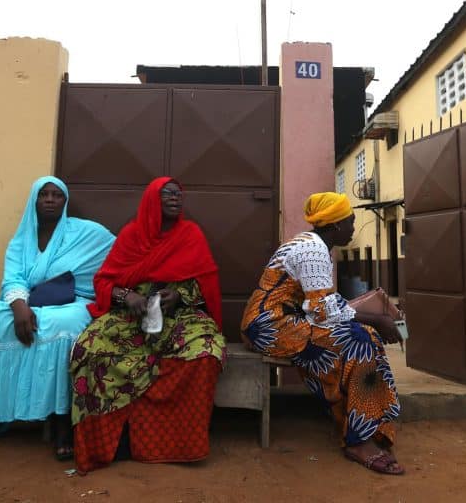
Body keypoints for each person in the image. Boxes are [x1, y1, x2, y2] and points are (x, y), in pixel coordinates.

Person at [0, 177, 114, 459]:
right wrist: (20, 307)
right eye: (43, 194)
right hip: (27, 301)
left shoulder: (88, 233)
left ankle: (61, 421)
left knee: (64, 326)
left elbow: (121, 254)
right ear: (34, 200)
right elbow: (12, 279)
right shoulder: (21, 240)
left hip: (73, 301)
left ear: (65, 201)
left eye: (56, 195)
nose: (49, 199)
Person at [70, 177, 226, 473]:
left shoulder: (190, 234)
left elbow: (203, 280)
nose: (175, 198)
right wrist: (127, 296)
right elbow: (105, 280)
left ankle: (174, 444)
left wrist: (178, 294)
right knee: (88, 349)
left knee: (205, 353)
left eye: (179, 194)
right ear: (151, 199)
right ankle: (115, 443)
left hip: (180, 316)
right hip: (132, 316)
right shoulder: (131, 235)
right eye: (167, 193)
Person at [241, 192, 404, 475]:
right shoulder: (312, 250)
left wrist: (373, 322)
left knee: (364, 335)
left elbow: (320, 305)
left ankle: (363, 424)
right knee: (361, 339)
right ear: (335, 225)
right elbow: (320, 309)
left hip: (285, 320)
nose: (354, 227)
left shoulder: (314, 245)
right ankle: (358, 440)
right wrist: (377, 319)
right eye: (350, 222)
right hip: (268, 325)